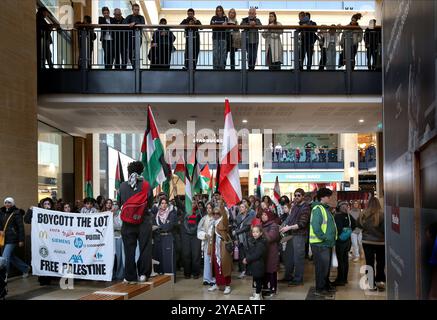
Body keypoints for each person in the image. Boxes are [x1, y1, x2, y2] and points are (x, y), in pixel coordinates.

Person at [119, 161, 153, 283]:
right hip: (143, 221)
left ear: (129, 171)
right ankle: (143, 274)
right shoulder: (146, 185)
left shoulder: (122, 186)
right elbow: (150, 203)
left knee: (129, 251)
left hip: (127, 223)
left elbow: (120, 204)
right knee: (145, 249)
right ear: (141, 171)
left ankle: (129, 276)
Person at [309, 187, 337, 297]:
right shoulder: (318, 209)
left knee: (326, 267)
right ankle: (320, 289)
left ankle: (325, 285)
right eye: (328, 196)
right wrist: (324, 237)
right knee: (321, 268)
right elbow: (316, 226)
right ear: (322, 197)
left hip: (326, 244)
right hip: (320, 244)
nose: (330, 198)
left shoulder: (325, 208)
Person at [280, 188, 310, 286]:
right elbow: (289, 218)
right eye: (295, 195)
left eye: (299, 195)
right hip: (291, 234)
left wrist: (288, 228)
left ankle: (298, 279)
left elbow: (302, 224)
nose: (296, 197)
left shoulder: (305, 207)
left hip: (300, 235)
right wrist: (282, 225)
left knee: (298, 258)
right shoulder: (295, 206)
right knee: (289, 257)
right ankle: (288, 276)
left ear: (303, 196)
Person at [357, 197, 385, 291]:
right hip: (380, 242)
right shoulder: (382, 215)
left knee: (369, 262)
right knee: (380, 262)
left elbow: (359, 226)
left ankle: (371, 283)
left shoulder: (362, 214)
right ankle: (380, 280)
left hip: (367, 242)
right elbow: (384, 230)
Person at [0, 198, 29, 277]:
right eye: (5, 202)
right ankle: (25, 268)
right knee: (11, 257)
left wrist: (21, 240)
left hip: (13, 238)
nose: (7, 204)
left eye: (9, 202)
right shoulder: (1, 212)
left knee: (5, 257)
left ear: (12, 203)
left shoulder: (17, 213)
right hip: (4, 238)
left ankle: (3, 276)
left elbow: (21, 227)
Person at [208, 207, 233, 294]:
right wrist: (209, 249)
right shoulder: (213, 223)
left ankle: (227, 285)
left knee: (224, 265)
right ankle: (217, 283)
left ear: (220, 214)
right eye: (214, 214)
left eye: (217, 214)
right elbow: (212, 237)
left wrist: (222, 206)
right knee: (215, 265)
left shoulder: (223, 221)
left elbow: (225, 217)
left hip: (223, 246)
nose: (215, 215)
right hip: (215, 246)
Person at [152, 198, 177, 278]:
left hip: (168, 237)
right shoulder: (156, 215)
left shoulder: (171, 214)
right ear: (159, 205)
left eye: (166, 203)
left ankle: (170, 278)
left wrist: (158, 227)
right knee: (159, 258)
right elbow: (152, 226)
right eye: (162, 203)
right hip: (159, 238)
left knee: (168, 259)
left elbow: (168, 227)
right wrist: (158, 228)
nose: (164, 205)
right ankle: (161, 279)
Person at [333, 201, 356, 286]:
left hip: (340, 242)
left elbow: (338, 229)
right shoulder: (349, 216)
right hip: (348, 241)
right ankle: (345, 279)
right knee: (345, 260)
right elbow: (355, 224)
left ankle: (340, 280)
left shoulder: (338, 216)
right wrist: (348, 232)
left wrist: (339, 235)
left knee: (340, 261)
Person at [243, 225, 267, 300]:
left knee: (259, 281)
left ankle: (257, 296)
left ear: (261, 233)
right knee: (257, 280)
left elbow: (256, 255)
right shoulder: (256, 241)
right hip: (255, 265)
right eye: (253, 232)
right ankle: (258, 294)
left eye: (257, 232)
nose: (255, 234)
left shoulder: (260, 243)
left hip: (258, 265)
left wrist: (247, 259)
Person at [233, 202, 256, 279]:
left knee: (248, 255)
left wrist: (236, 232)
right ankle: (243, 271)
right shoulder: (238, 216)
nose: (240, 208)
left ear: (246, 208)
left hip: (248, 238)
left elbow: (247, 227)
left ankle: (250, 271)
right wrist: (236, 238)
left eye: (242, 207)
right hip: (240, 239)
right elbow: (235, 226)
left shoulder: (250, 216)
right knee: (241, 255)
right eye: (240, 207)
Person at [260, 209, 280, 297]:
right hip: (263, 251)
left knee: (271, 270)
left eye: (265, 215)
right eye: (262, 215)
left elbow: (270, 238)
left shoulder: (273, 225)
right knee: (264, 270)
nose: (263, 216)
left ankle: (272, 288)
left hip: (271, 251)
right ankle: (265, 287)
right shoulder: (261, 225)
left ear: (269, 216)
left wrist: (261, 230)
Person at [181, 199, 202, 279]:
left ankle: (196, 273)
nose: (192, 204)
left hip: (195, 236)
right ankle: (187, 273)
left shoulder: (199, 212)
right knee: (186, 254)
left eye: (193, 203)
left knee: (196, 255)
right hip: (186, 235)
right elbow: (179, 203)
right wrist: (175, 194)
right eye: (190, 202)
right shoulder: (185, 211)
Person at [197, 202, 216, 286]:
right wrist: (204, 235)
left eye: (210, 208)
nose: (209, 209)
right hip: (206, 242)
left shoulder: (216, 218)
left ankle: (213, 278)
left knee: (213, 260)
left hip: (214, 242)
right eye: (207, 208)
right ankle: (206, 278)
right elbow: (199, 230)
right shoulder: (203, 219)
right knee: (206, 260)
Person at [123, 3, 145, 68]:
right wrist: (130, 24)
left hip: (138, 38)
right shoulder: (129, 17)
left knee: (136, 53)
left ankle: (136, 68)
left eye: (138, 10)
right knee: (130, 53)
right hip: (130, 39)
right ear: (132, 10)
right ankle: (134, 67)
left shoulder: (141, 17)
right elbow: (124, 23)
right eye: (135, 10)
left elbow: (142, 24)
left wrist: (135, 23)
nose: (137, 11)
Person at [210, 6, 228, 70]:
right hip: (215, 37)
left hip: (223, 37)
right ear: (216, 11)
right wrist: (221, 25)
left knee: (223, 52)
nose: (219, 12)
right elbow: (211, 25)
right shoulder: (213, 17)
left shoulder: (225, 18)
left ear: (222, 11)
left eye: (220, 10)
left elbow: (226, 26)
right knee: (215, 52)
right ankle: (215, 67)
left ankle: (222, 67)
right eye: (218, 10)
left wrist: (217, 25)